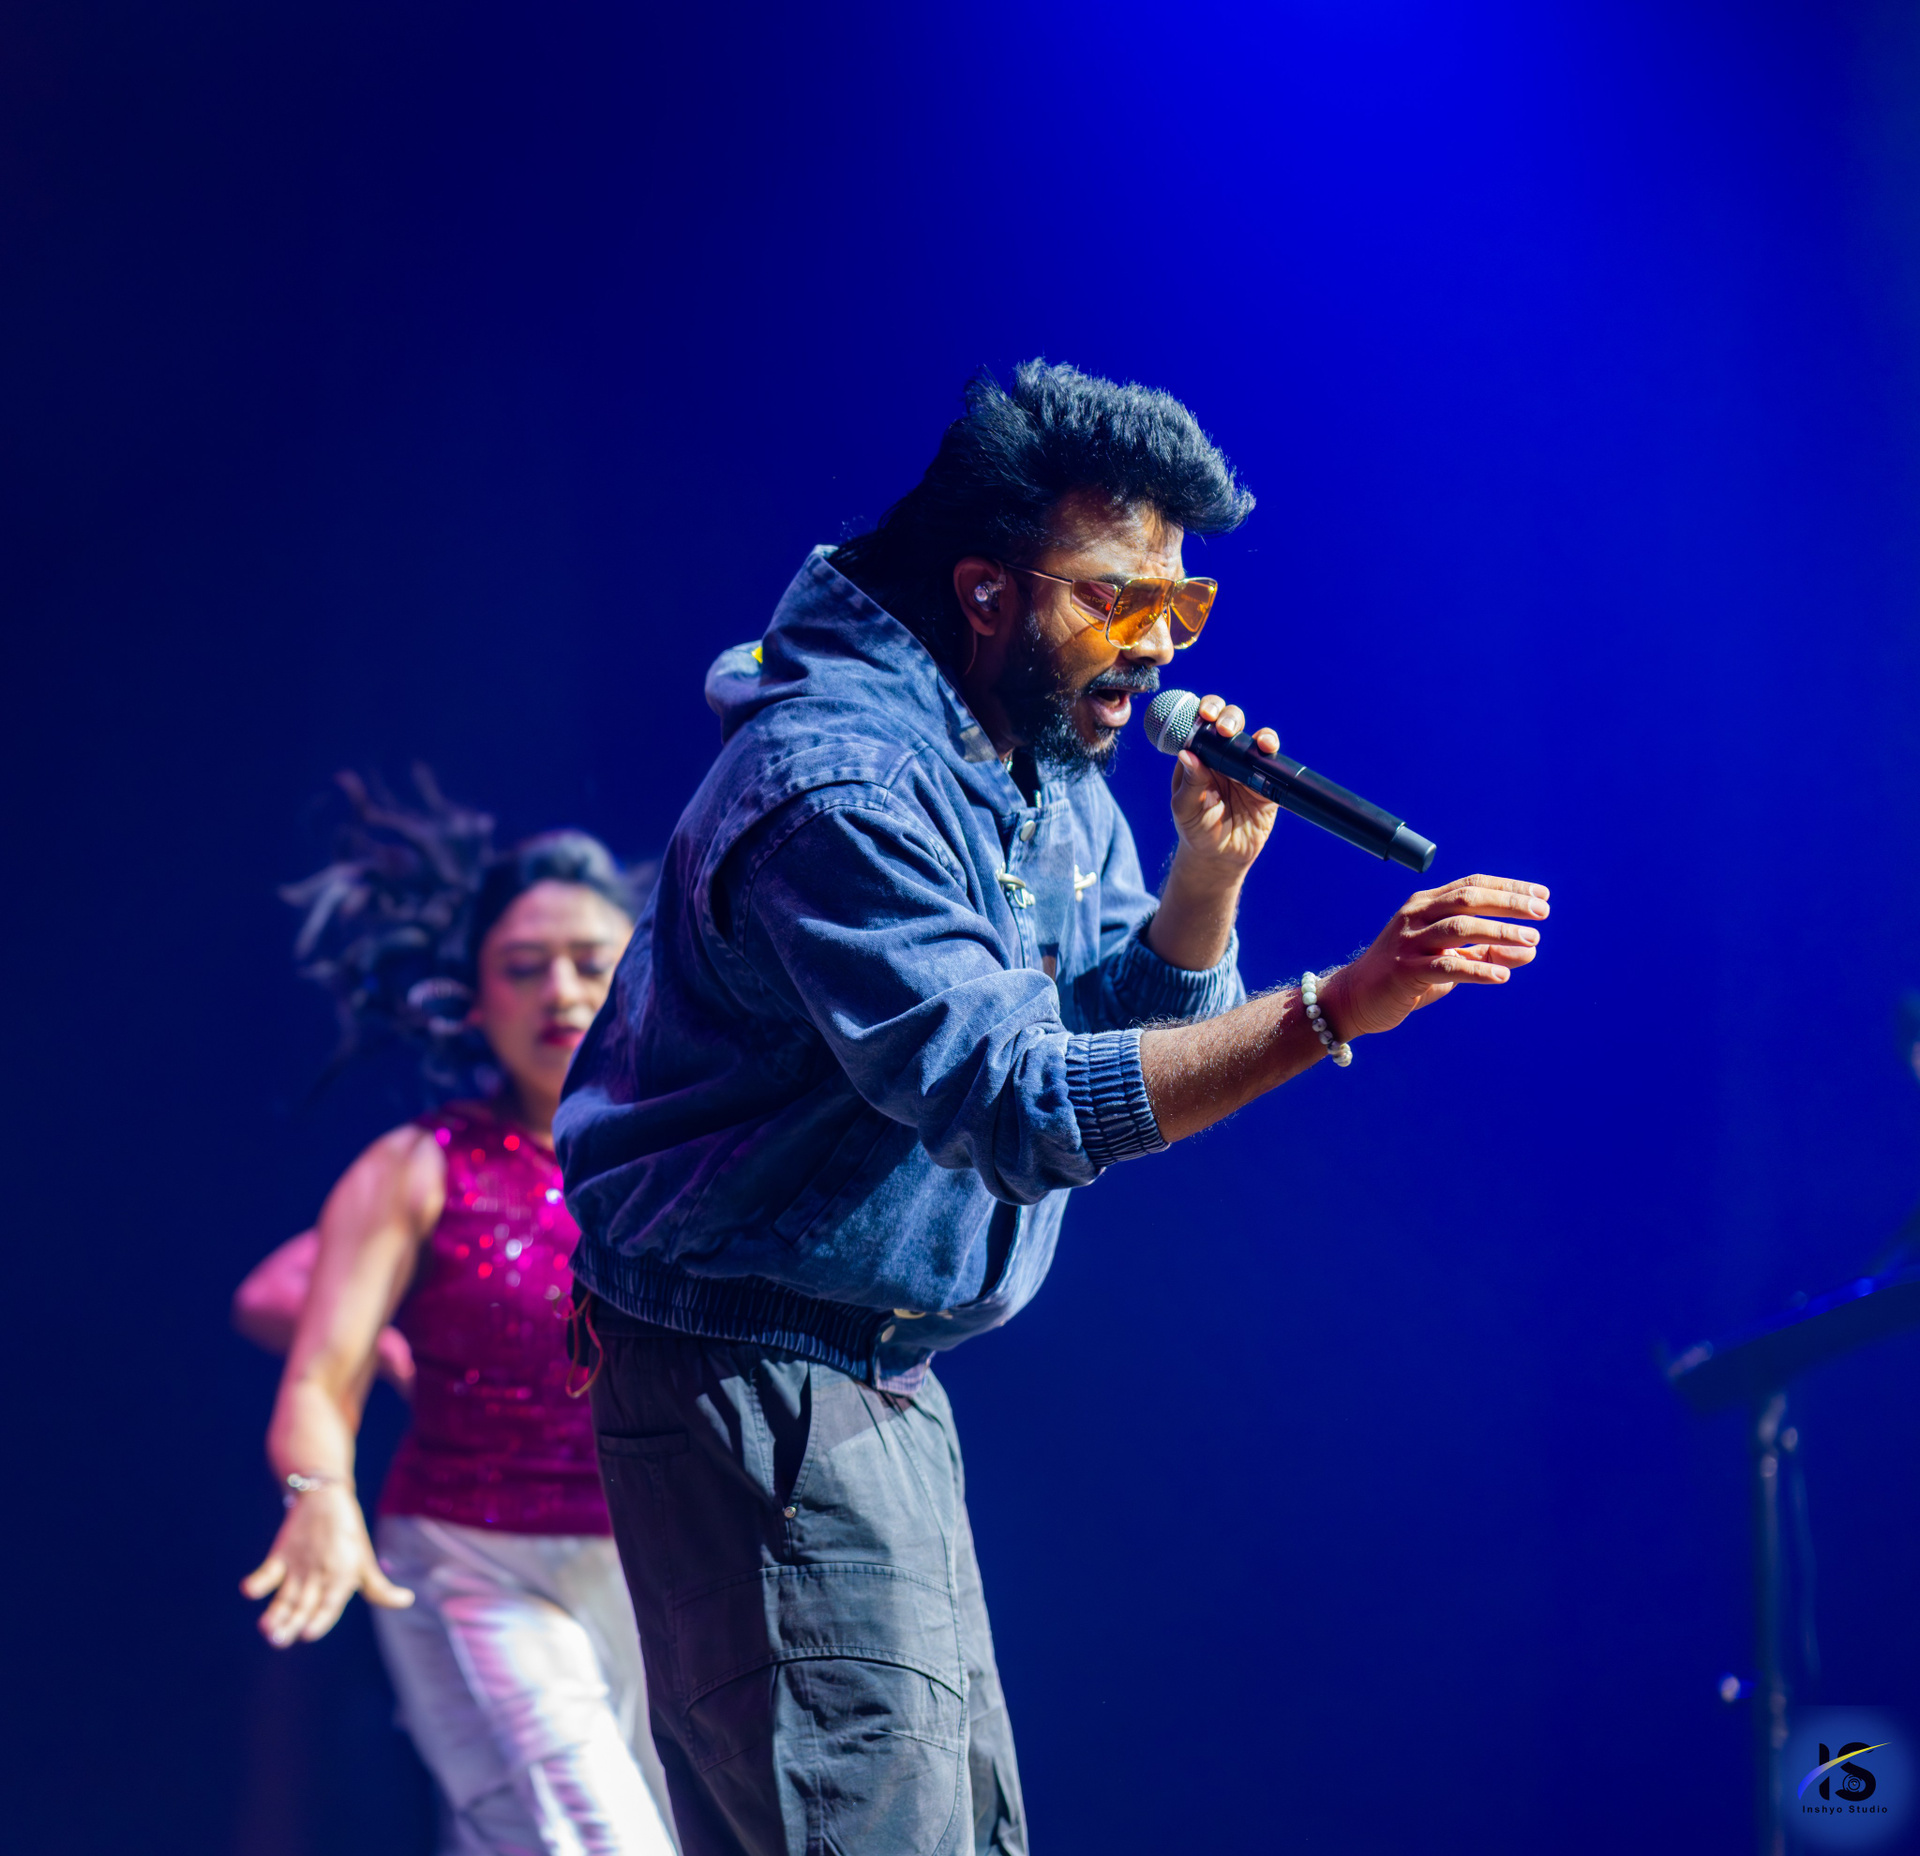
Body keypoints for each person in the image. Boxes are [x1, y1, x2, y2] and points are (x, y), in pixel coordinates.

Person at [555, 361, 1552, 1856]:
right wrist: (1335, 1006)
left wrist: (1205, 885)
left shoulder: (1040, 755)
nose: (1156, 645)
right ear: (983, 591)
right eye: (1117, 599)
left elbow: (1100, 1038)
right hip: (756, 1374)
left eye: (1182, 604)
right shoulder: (841, 784)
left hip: (875, 1374)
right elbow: (1019, 1101)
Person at [239, 785, 679, 1856]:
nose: (561, 989)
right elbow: (308, 1358)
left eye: (590, 961)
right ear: (474, 1000)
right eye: (523, 968)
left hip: (662, 1563)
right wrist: (320, 1493)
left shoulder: (688, 1152)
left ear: (643, 974)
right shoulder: (417, 1168)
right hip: (476, 1558)